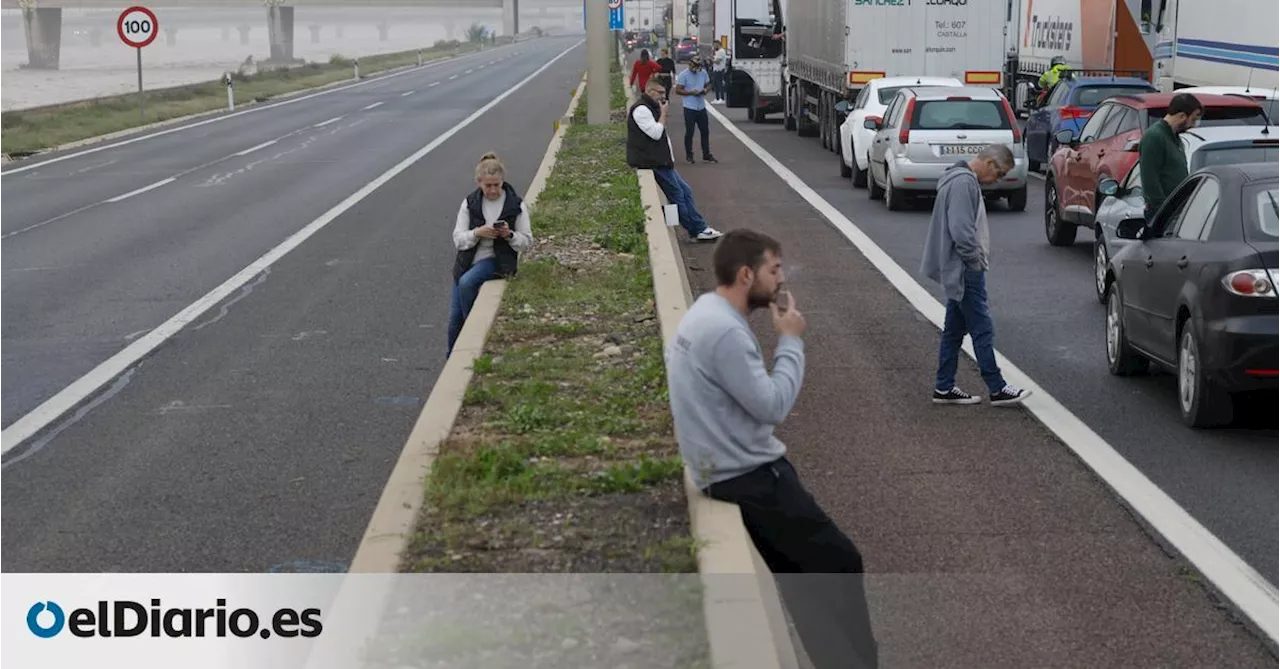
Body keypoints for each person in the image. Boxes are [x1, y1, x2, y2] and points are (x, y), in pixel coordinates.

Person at [665, 228, 879, 669]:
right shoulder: (725, 331)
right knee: (839, 562)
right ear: (746, 274)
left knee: (806, 578)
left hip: (722, 469)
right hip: (751, 479)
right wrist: (791, 339)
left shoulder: (705, 312)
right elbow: (772, 405)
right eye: (773, 269)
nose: (780, 279)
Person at [920, 145, 1032, 407]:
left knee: (954, 330)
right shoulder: (964, 184)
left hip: (956, 267)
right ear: (990, 163)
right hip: (964, 268)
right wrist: (975, 262)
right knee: (982, 327)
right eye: (1000, 173)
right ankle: (997, 387)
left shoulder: (955, 178)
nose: (998, 180)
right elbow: (962, 230)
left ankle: (944, 387)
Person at [447, 152, 534, 358]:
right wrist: (478, 233)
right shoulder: (469, 203)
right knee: (453, 319)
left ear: (503, 181)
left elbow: (527, 241)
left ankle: (473, 334)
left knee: (468, 283)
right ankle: (452, 357)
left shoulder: (515, 205)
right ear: (479, 183)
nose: (493, 190)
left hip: (496, 259)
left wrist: (509, 235)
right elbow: (458, 239)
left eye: (497, 185)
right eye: (488, 186)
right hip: (468, 259)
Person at [627, 78, 724, 242]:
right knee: (677, 195)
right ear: (650, 92)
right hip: (652, 162)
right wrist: (663, 114)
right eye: (661, 93)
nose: (664, 97)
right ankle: (695, 229)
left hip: (662, 161)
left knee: (685, 191)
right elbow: (656, 133)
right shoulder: (641, 110)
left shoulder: (651, 107)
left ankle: (698, 227)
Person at [1139, 92, 1203, 217]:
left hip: (1177, 211)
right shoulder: (1154, 136)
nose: (1193, 125)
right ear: (1182, 116)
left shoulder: (1175, 137)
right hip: (1163, 215)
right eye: (1193, 119)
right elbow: (1150, 180)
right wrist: (1163, 211)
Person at [675, 55, 718, 163]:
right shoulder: (683, 75)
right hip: (689, 107)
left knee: (705, 131)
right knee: (690, 132)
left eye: (699, 67)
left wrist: (705, 90)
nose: (697, 69)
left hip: (701, 106)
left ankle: (706, 154)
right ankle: (689, 155)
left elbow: (709, 84)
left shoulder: (702, 73)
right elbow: (678, 90)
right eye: (695, 66)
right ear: (690, 64)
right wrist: (690, 92)